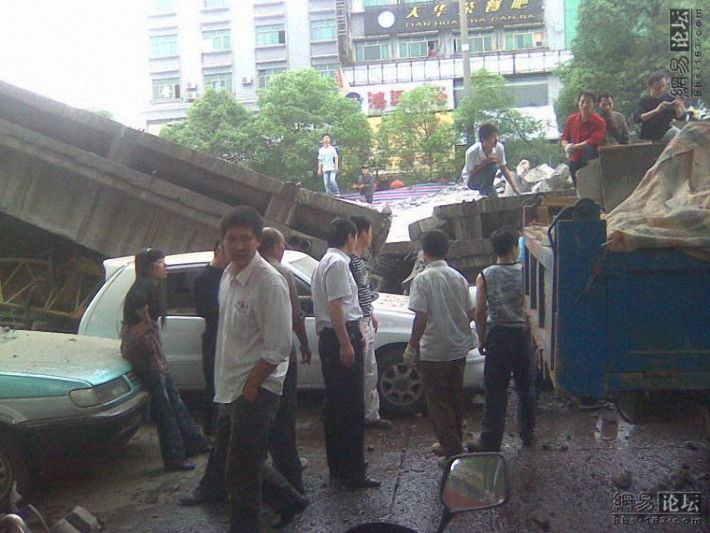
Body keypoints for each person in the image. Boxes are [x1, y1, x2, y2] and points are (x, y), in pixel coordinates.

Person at [213, 206, 307, 532]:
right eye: (231, 239)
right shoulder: (228, 276)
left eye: (245, 239)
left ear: (257, 241)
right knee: (236, 464)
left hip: (256, 388)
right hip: (230, 386)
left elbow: (279, 346)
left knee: (241, 473)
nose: (238, 246)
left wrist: (252, 386)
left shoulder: (269, 282)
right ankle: (290, 500)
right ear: (222, 242)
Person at [120, 248, 208, 472]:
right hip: (147, 353)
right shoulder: (144, 288)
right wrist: (147, 329)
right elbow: (142, 324)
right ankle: (174, 456)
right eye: (162, 263)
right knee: (165, 405)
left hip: (150, 351)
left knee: (173, 398)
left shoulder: (147, 285)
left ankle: (193, 443)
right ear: (151, 267)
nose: (165, 267)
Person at [311, 218, 381, 488]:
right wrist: (345, 343)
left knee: (335, 406)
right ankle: (353, 471)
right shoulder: (339, 263)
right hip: (340, 335)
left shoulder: (325, 261)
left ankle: (338, 466)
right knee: (350, 408)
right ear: (351, 237)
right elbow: (337, 306)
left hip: (332, 335)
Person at [403, 230, 475, 464]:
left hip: (434, 351)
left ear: (424, 253)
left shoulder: (422, 280)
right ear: (447, 251)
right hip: (458, 348)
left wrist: (412, 347)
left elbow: (420, 319)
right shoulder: (458, 277)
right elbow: (471, 312)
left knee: (437, 401)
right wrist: (457, 327)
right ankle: (453, 440)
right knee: (455, 398)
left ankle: (452, 450)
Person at [470, 227, 535, 452]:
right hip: (522, 336)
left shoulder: (485, 275)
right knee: (525, 388)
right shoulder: (526, 271)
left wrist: (481, 339)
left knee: (495, 390)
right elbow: (533, 307)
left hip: (498, 335)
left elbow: (479, 311)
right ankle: (527, 435)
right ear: (515, 248)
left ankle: (490, 440)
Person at [259, 227, 312, 494]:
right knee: (285, 408)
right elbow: (295, 314)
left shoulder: (245, 270)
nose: (284, 248)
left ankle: (273, 459)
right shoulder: (282, 272)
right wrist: (304, 342)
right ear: (276, 246)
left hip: (256, 355)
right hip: (280, 351)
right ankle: (288, 464)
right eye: (282, 244)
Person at [349, 216, 391, 430]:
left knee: (370, 371)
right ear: (362, 233)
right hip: (359, 323)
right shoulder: (350, 262)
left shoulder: (357, 260)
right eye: (370, 231)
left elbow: (362, 294)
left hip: (365, 319)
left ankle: (370, 413)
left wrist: (370, 313)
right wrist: (360, 323)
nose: (372, 236)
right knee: (365, 372)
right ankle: (366, 415)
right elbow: (351, 297)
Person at [192, 240, 229, 436]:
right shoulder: (203, 277)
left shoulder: (230, 273)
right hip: (214, 336)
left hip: (230, 337)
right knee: (213, 384)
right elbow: (203, 310)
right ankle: (210, 430)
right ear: (217, 251)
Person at [560, 90, 607, 186]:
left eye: (588, 102)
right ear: (578, 103)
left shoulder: (599, 122)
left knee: (590, 187)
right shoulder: (571, 119)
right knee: (577, 186)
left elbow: (593, 141)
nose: (585, 105)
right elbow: (564, 137)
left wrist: (573, 147)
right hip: (574, 159)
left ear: (594, 105)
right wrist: (566, 147)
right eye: (582, 102)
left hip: (590, 160)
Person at [463, 123, 521, 198]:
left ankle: (486, 196)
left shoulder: (499, 147)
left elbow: (503, 168)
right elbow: (470, 172)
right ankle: (484, 194)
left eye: (496, 136)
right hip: (472, 181)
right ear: (484, 140)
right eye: (493, 137)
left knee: (492, 193)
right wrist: (485, 162)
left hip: (487, 183)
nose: (497, 139)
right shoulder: (472, 152)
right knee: (492, 166)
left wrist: (514, 187)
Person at [633, 70, 687, 142]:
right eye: (658, 87)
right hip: (648, 136)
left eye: (663, 86)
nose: (661, 90)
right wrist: (656, 111)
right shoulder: (644, 101)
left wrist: (679, 109)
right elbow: (637, 118)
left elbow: (681, 118)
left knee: (676, 132)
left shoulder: (669, 99)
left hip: (666, 134)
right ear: (650, 86)